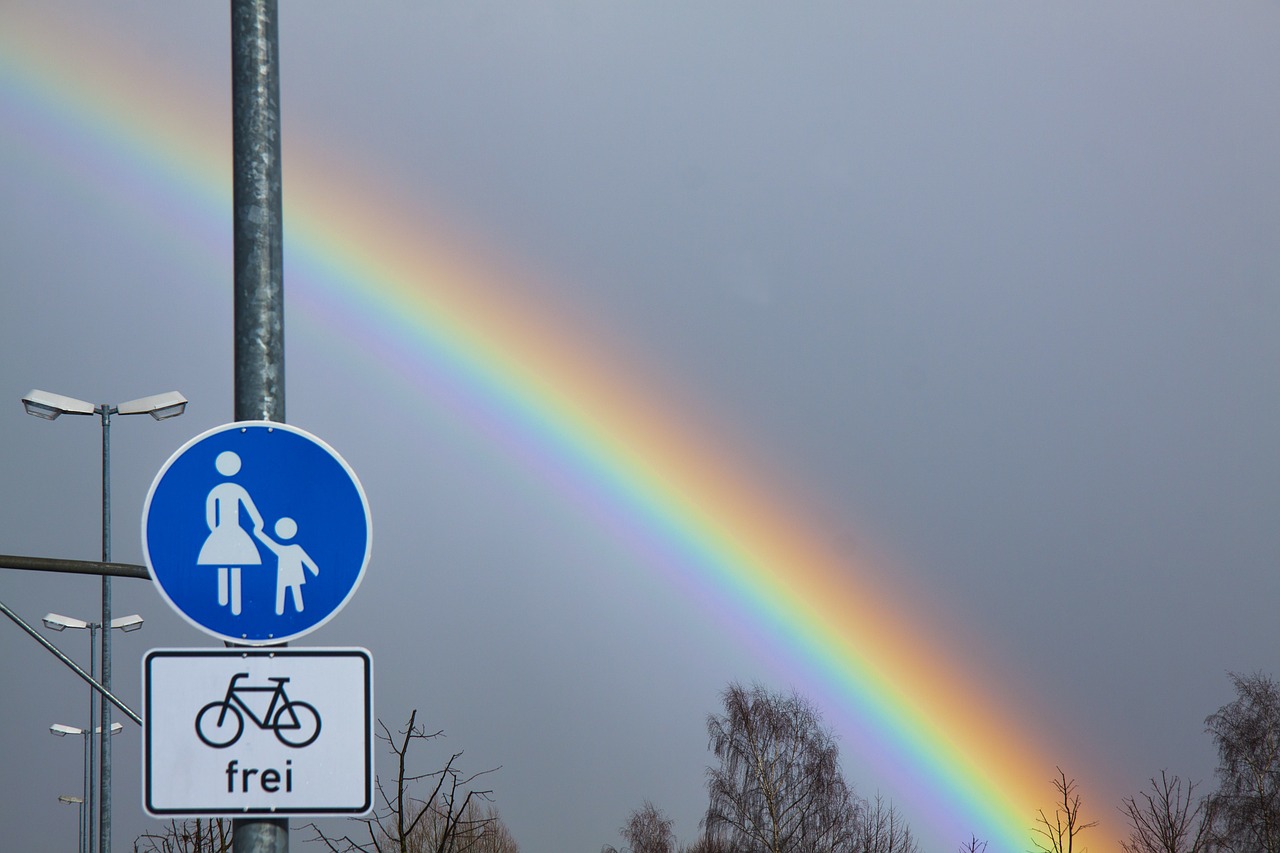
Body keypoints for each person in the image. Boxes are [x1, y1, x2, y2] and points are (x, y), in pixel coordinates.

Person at [196, 451, 264, 616]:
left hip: (222, 531)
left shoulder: (217, 491)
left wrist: (215, 530)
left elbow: (210, 516)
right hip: (234, 531)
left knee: (223, 562)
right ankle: (231, 605)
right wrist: (258, 524)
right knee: (236, 563)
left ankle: (225, 601)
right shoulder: (236, 489)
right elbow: (251, 510)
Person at [254, 517, 320, 615]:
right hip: (285, 573)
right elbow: (269, 543)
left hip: (290, 573)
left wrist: (314, 569)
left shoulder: (291, 549)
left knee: (290, 591)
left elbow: (306, 559)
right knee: (284, 591)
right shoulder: (289, 549)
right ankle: (282, 611)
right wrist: (258, 533)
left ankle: (294, 610)